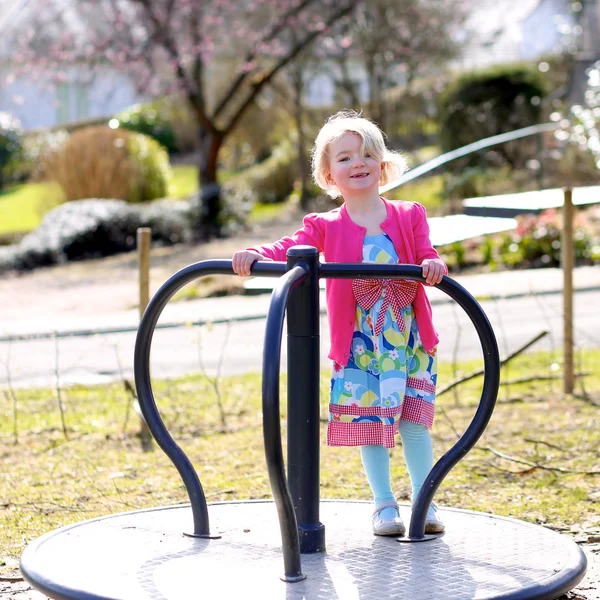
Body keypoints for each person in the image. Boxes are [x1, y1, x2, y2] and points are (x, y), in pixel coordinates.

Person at [232, 110, 447, 537]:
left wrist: (432, 263)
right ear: (329, 174)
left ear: (382, 165)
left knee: (413, 422)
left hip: (407, 339)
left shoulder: (408, 214)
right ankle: (384, 505)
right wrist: (255, 254)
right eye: (345, 158)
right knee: (370, 420)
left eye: (367, 154)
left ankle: (425, 501)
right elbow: (290, 247)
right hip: (361, 343)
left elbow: (426, 251)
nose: (358, 163)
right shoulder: (326, 226)